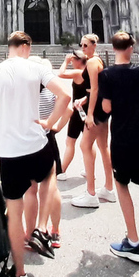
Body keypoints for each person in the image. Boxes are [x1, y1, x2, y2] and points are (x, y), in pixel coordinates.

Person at [0, 32, 71, 277]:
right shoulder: (35, 67)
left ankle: (20, 274)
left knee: (14, 213)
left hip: (9, 152)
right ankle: (41, 227)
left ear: (9, 47)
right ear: (26, 47)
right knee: (49, 174)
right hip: (37, 144)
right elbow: (64, 96)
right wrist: (50, 124)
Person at [100, 31, 139, 264]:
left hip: (121, 140)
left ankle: (134, 243)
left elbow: (106, 108)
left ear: (114, 48)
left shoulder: (106, 75)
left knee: (122, 186)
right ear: (131, 48)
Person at [24, 57, 65, 252]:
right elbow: (69, 105)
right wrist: (54, 125)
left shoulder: (24, 90)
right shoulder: (52, 89)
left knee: (30, 190)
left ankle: (29, 233)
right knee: (51, 187)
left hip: (27, 140)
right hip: (47, 137)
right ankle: (54, 231)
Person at [71, 34, 116, 208]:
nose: (82, 48)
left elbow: (95, 89)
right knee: (104, 147)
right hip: (101, 109)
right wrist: (83, 99)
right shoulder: (98, 60)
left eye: (85, 45)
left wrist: (89, 114)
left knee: (85, 146)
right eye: (81, 45)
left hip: (96, 111)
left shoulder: (90, 63)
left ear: (93, 45)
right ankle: (109, 189)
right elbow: (92, 90)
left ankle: (90, 193)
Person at [55, 50, 89, 181]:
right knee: (88, 143)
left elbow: (61, 73)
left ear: (79, 61)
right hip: (87, 111)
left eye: (74, 60)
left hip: (78, 111)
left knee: (70, 141)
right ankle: (88, 168)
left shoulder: (78, 72)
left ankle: (62, 170)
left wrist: (65, 61)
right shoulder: (89, 71)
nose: (72, 62)